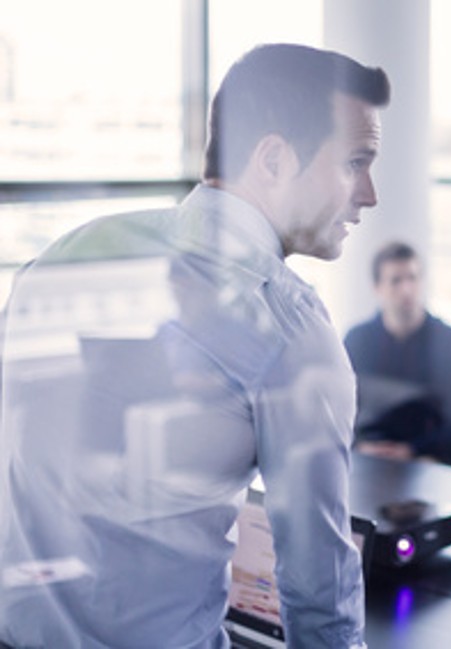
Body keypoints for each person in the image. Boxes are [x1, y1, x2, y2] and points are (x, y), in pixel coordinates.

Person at [0, 44, 390, 648]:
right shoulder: (289, 331)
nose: (368, 194)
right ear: (274, 159)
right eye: (354, 162)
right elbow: (320, 599)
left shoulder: (63, 255)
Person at [343, 241, 451, 467]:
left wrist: (412, 451)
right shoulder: (357, 341)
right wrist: (359, 446)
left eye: (412, 278)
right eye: (396, 281)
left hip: (433, 463)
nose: (407, 289)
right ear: (377, 287)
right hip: (369, 461)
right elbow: (336, 410)